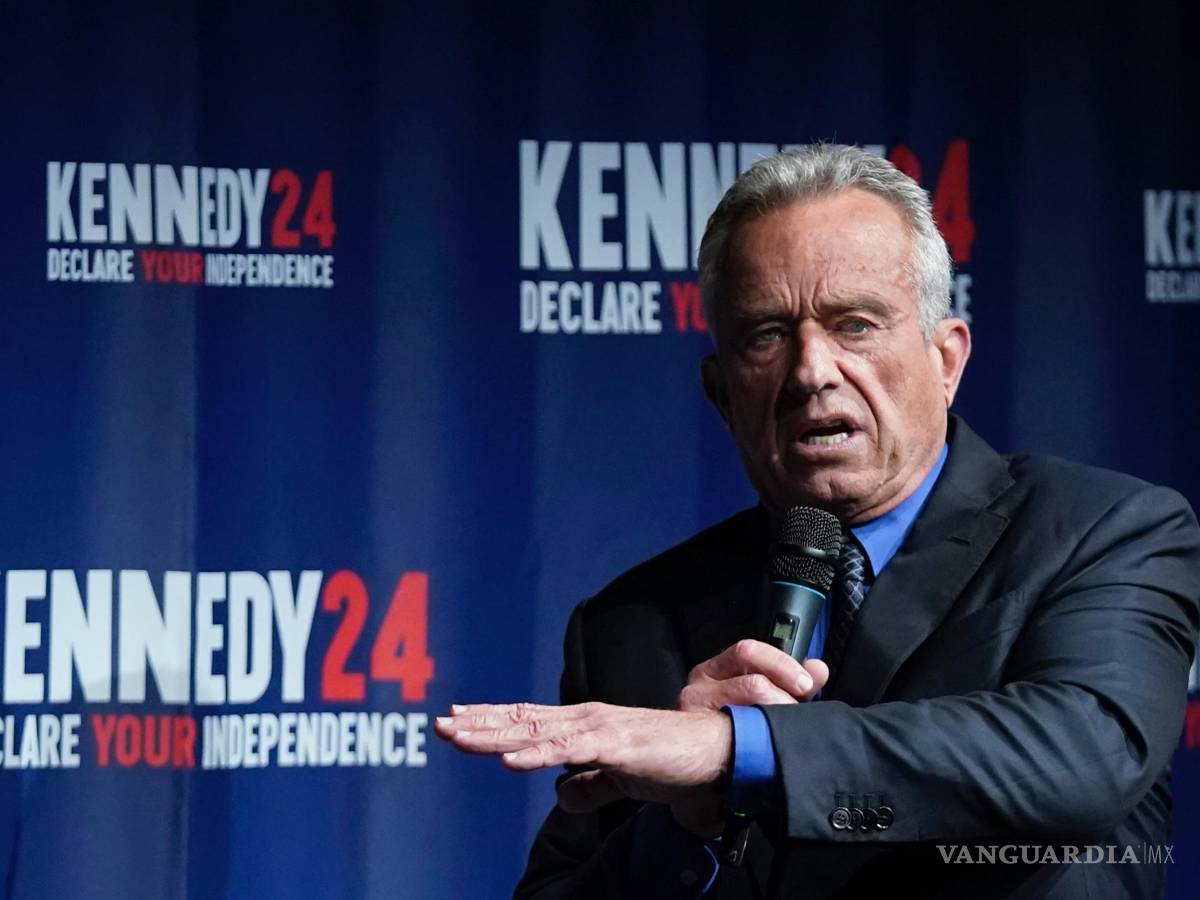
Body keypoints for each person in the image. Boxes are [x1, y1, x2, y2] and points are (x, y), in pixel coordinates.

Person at [435, 145, 1200, 898]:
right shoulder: (630, 626)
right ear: (721, 392)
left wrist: (740, 748)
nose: (811, 370)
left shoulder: (1104, 532)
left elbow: (1086, 753)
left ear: (946, 359)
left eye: (856, 324)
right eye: (767, 334)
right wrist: (684, 826)